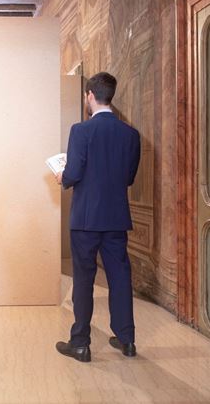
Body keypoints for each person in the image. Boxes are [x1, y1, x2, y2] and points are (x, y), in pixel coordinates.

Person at [55, 72, 141, 363]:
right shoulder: (131, 135)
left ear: (90, 95)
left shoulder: (81, 131)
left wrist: (63, 176)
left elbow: (73, 173)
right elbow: (129, 178)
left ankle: (80, 343)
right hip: (116, 218)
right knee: (120, 277)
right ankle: (127, 340)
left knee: (83, 279)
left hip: (85, 220)